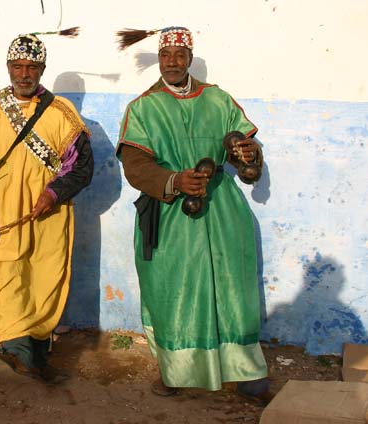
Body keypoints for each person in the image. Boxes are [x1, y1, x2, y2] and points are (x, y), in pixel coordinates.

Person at [115, 27, 271, 402]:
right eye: (166, 56)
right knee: (175, 291)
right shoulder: (143, 107)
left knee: (234, 290)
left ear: (189, 57)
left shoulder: (218, 100)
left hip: (222, 210)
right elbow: (135, 165)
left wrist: (247, 154)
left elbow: (244, 151)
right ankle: (178, 369)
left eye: (179, 55)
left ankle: (247, 371)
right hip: (170, 214)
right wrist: (174, 180)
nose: (172, 62)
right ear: (159, 58)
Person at [0, 33, 93, 383]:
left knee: (44, 280)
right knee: (9, 275)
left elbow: (81, 167)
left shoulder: (63, 114)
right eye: (17, 66)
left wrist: (54, 193)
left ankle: (35, 350)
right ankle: (16, 353)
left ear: (42, 69)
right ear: (8, 67)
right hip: (5, 216)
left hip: (48, 217)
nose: (24, 74)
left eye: (32, 67)